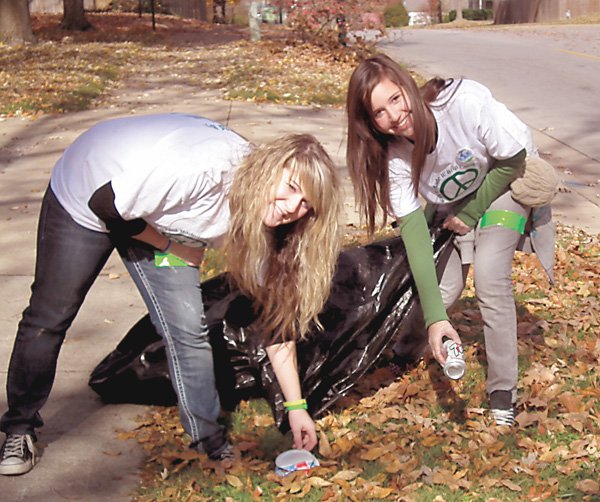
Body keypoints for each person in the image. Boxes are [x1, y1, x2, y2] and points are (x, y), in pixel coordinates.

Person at [0, 113, 342, 476]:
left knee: (188, 330)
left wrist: (296, 407)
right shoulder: (202, 171)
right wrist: (169, 247)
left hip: (160, 222)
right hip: (90, 194)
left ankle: (210, 446)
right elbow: (108, 206)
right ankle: (20, 427)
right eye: (290, 187)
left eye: (306, 204)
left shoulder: (268, 229)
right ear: (269, 169)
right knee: (50, 316)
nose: (292, 207)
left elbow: (276, 327)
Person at [346, 54, 554, 426]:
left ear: (407, 86)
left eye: (395, 98)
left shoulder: (462, 104)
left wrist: (471, 214)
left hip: (505, 176)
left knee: (490, 273)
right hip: (456, 197)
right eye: (379, 112)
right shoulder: (393, 157)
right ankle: (402, 353)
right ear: (370, 124)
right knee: (440, 289)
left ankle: (502, 392)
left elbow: (511, 160)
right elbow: (413, 234)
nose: (393, 116)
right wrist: (437, 318)